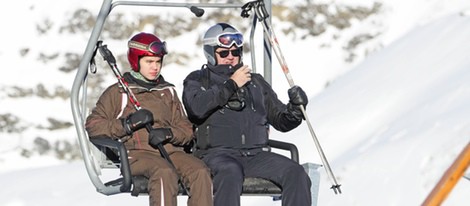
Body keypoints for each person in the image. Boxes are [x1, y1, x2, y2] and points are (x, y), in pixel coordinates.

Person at [182, 23, 312, 206]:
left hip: (256, 155)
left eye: (235, 52)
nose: (231, 58)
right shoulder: (198, 79)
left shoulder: (255, 82)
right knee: (230, 172)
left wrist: (295, 109)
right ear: (211, 53)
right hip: (217, 155)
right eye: (224, 53)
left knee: (296, 173)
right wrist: (231, 84)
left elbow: (281, 120)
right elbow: (197, 108)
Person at [85, 32, 213, 206]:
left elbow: (185, 128)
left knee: (200, 171)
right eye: (149, 62)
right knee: (163, 173)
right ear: (136, 62)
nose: (155, 67)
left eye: (158, 62)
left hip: (171, 152)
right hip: (138, 155)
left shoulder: (167, 91)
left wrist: (169, 134)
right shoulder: (119, 93)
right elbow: (93, 126)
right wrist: (127, 124)